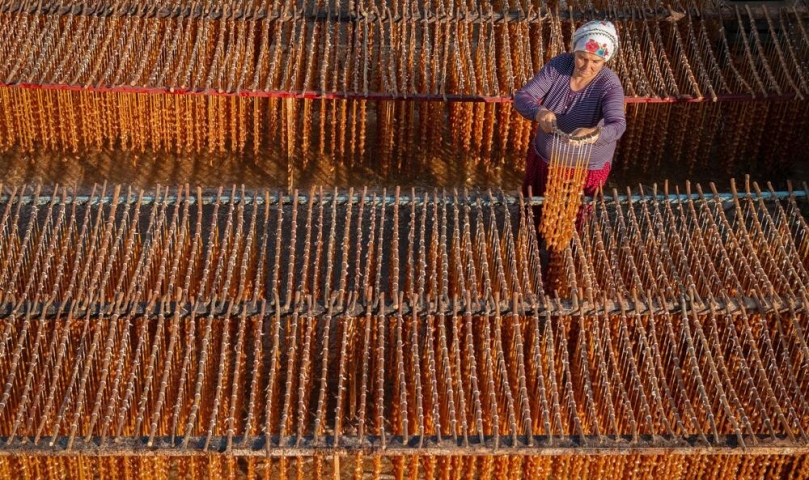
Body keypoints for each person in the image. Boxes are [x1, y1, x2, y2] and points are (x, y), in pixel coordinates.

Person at [514, 20, 626, 201]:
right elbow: (523, 97)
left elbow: (618, 125)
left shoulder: (609, 84)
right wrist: (539, 112)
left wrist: (594, 134)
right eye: (582, 57)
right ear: (574, 51)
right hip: (545, 163)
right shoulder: (559, 66)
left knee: (571, 219)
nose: (586, 66)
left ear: (605, 59)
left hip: (585, 171)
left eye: (595, 61)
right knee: (534, 211)